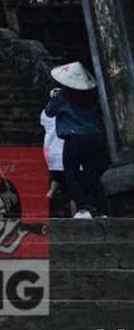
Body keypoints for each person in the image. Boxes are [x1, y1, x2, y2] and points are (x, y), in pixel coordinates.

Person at [45, 61, 105, 219]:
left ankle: (83, 208)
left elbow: (49, 112)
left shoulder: (64, 95)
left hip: (74, 138)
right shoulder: (92, 95)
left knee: (71, 173)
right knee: (92, 173)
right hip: (93, 136)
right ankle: (99, 209)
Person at [40, 94, 66, 211]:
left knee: (56, 173)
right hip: (62, 146)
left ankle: (51, 191)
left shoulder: (45, 113)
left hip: (49, 147)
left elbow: (43, 125)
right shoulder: (65, 112)